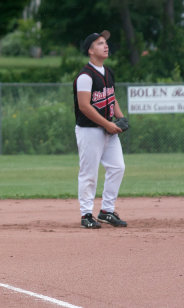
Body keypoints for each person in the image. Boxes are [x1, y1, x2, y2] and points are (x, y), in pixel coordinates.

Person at [73, 30, 127, 229]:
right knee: (89, 173)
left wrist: (120, 118)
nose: (105, 46)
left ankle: (106, 211)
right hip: (89, 131)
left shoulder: (108, 72)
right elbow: (84, 106)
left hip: (108, 130)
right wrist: (108, 124)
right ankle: (86, 215)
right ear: (90, 50)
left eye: (105, 42)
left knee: (117, 167)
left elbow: (111, 97)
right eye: (99, 43)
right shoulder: (85, 76)